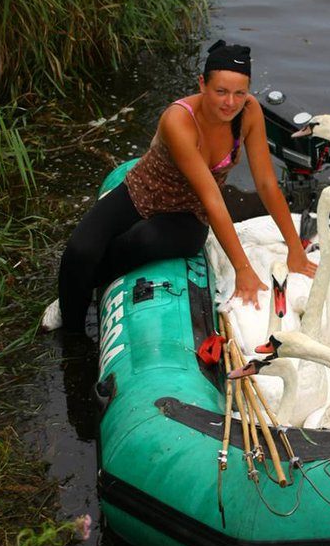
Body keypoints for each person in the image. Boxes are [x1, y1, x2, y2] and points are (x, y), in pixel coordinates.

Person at [43, 40, 316, 334]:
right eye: (221, 91)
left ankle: (87, 285)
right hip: (142, 193)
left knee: (141, 241)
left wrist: (294, 249)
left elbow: (264, 183)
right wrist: (243, 269)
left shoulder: (249, 113)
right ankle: (72, 331)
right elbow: (213, 196)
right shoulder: (179, 119)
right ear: (202, 84)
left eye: (240, 93)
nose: (230, 103)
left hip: (189, 213)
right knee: (79, 250)